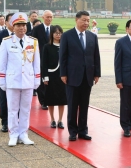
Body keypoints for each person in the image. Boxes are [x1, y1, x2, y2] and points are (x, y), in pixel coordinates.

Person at [0, 12, 40, 146]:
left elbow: (36, 62)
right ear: (13, 27)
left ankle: (24, 133)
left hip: (27, 80)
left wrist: (37, 78)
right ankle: (13, 134)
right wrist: (2, 80)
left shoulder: (33, 42)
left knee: (26, 109)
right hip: (13, 80)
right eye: (18, 25)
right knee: (13, 109)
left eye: (23, 25)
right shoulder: (6, 42)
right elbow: (2, 63)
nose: (22, 28)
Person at [60, 11, 101, 141]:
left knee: (84, 105)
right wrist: (63, 73)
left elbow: (96, 56)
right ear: (76, 20)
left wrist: (97, 73)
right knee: (72, 105)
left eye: (88, 20)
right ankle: (73, 131)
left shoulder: (92, 36)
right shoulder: (67, 35)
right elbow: (63, 56)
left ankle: (83, 130)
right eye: (84, 20)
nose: (86, 23)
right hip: (72, 75)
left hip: (88, 76)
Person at [41, 25, 67, 129]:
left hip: (62, 76)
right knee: (51, 99)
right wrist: (45, 77)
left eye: (60, 33)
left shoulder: (65, 46)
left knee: (62, 99)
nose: (58, 35)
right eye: (56, 33)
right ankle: (52, 119)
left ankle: (60, 120)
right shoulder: (47, 47)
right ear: (52, 34)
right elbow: (44, 63)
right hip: (51, 75)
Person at [0, 13, 15, 133]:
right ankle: (5, 122)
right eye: (11, 21)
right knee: (4, 98)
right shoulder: (0, 35)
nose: (13, 23)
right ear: (6, 22)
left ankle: (16, 122)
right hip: (4, 73)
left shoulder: (20, 35)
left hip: (16, 73)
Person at [31, 10, 54, 109]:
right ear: (43, 17)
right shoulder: (37, 29)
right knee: (41, 80)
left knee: (51, 80)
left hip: (52, 59)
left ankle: (50, 99)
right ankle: (43, 101)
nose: (49, 19)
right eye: (47, 17)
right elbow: (32, 43)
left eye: (51, 17)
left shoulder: (54, 29)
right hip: (39, 58)